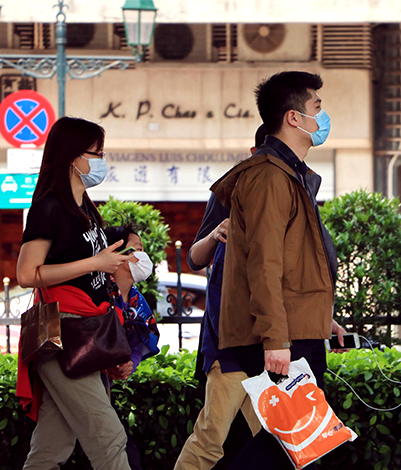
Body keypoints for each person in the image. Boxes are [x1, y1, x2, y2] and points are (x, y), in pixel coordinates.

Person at [210, 71, 347, 469]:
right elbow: (264, 264)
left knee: (298, 442)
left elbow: (291, 266)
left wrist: (323, 317)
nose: (322, 118)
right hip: (276, 336)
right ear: (293, 117)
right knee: (289, 441)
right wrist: (275, 339)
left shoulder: (289, 174)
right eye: (317, 108)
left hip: (291, 329)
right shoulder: (270, 177)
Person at [16, 116, 134, 470]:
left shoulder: (85, 209)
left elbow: (96, 260)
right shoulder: (50, 207)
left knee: (53, 446)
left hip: (81, 330)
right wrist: (94, 264)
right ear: (72, 157)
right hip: (63, 329)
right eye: (95, 153)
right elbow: (26, 274)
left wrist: (127, 241)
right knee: (108, 438)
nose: (100, 161)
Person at [173, 125, 267, 470]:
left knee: (275, 441)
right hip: (231, 344)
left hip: (269, 343)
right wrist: (215, 233)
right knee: (211, 439)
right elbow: (195, 258)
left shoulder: (294, 190)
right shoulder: (232, 191)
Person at [104, 223, 161, 470]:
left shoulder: (137, 301)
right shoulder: (99, 295)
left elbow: (138, 342)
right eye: (136, 249)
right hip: (88, 380)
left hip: (105, 386)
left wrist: (129, 364)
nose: (143, 256)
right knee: (120, 448)